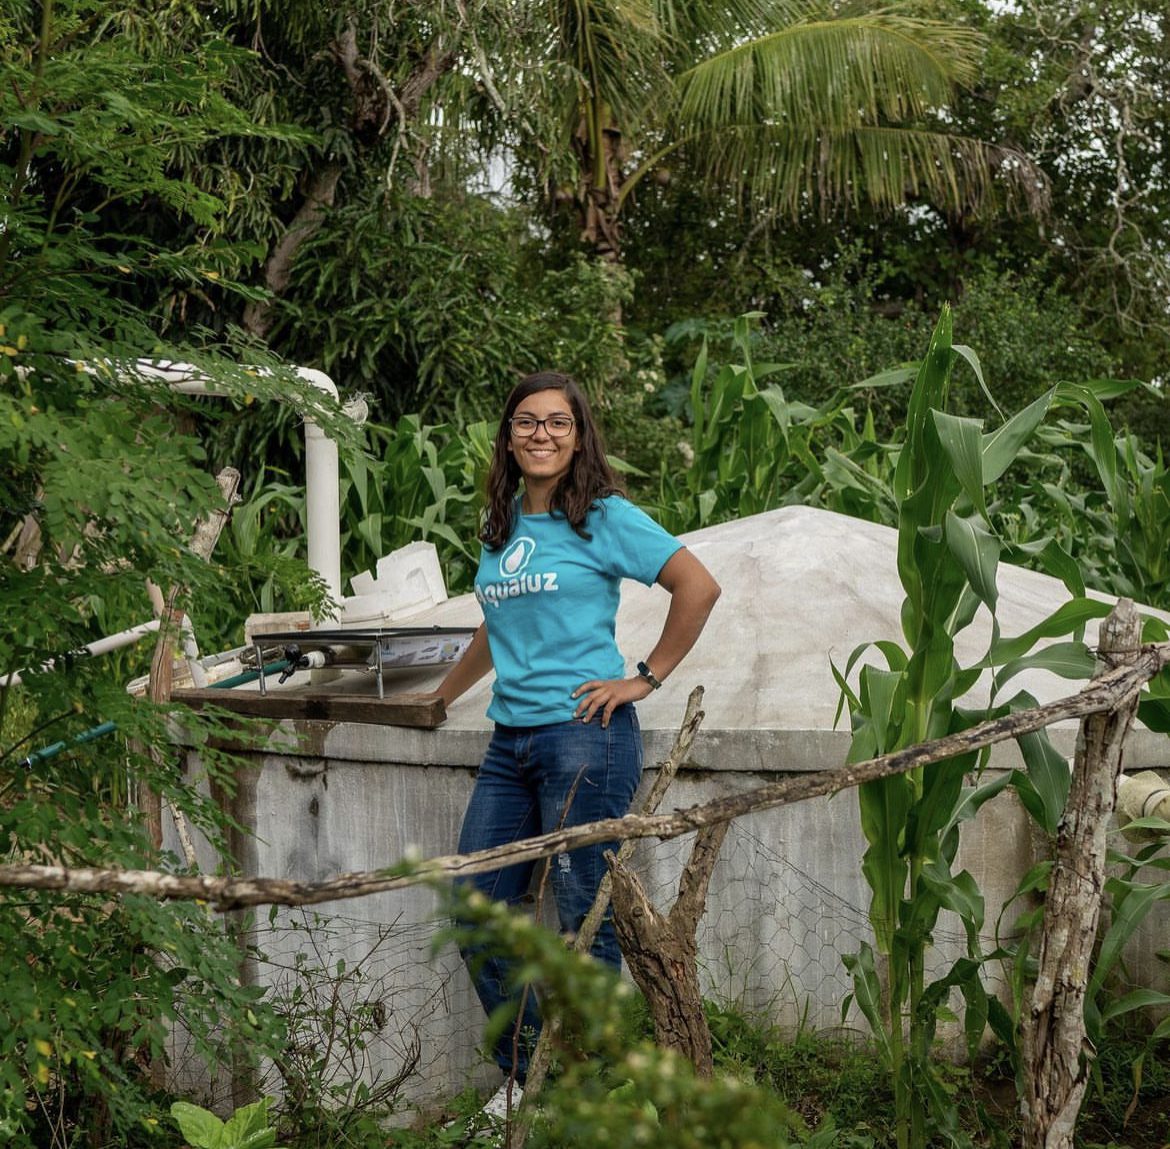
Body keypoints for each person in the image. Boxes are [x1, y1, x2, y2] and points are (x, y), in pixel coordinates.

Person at [430, 370, 720, 1116]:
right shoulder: (503, 523)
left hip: (583, 738)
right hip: (509, 743)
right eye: (526, 422)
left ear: (579, 434)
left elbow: (698, 585)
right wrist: (439, 695)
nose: (541, 435)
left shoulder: (603, 516)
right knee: (473, 906)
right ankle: (536, 1075)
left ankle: (593, 1083)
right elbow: (499, 627)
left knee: (588, 916)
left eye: (558, 422)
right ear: (508, 435)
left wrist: (644, 677)